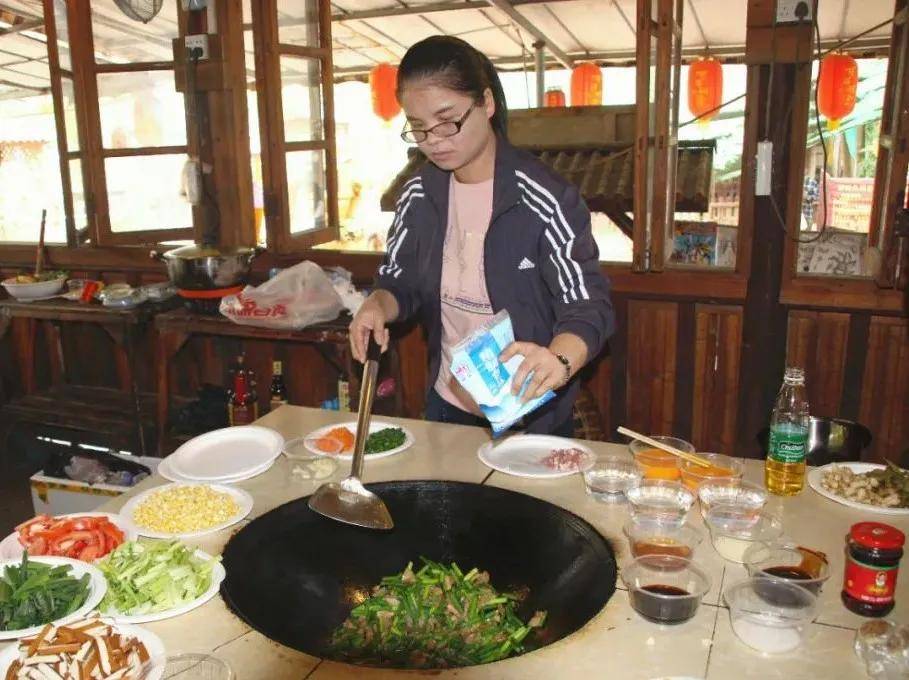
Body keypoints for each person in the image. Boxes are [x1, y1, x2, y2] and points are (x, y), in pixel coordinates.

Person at [349, 35, 614, 436]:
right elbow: (399, 282)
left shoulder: (543, 198)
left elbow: (589, 305)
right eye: (418, 127)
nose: (434, 141)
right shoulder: (419, 196)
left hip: (530, 412)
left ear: (486, 103)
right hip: (448, 405)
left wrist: (559, 360)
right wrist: (376, 305)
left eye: (447, 121)